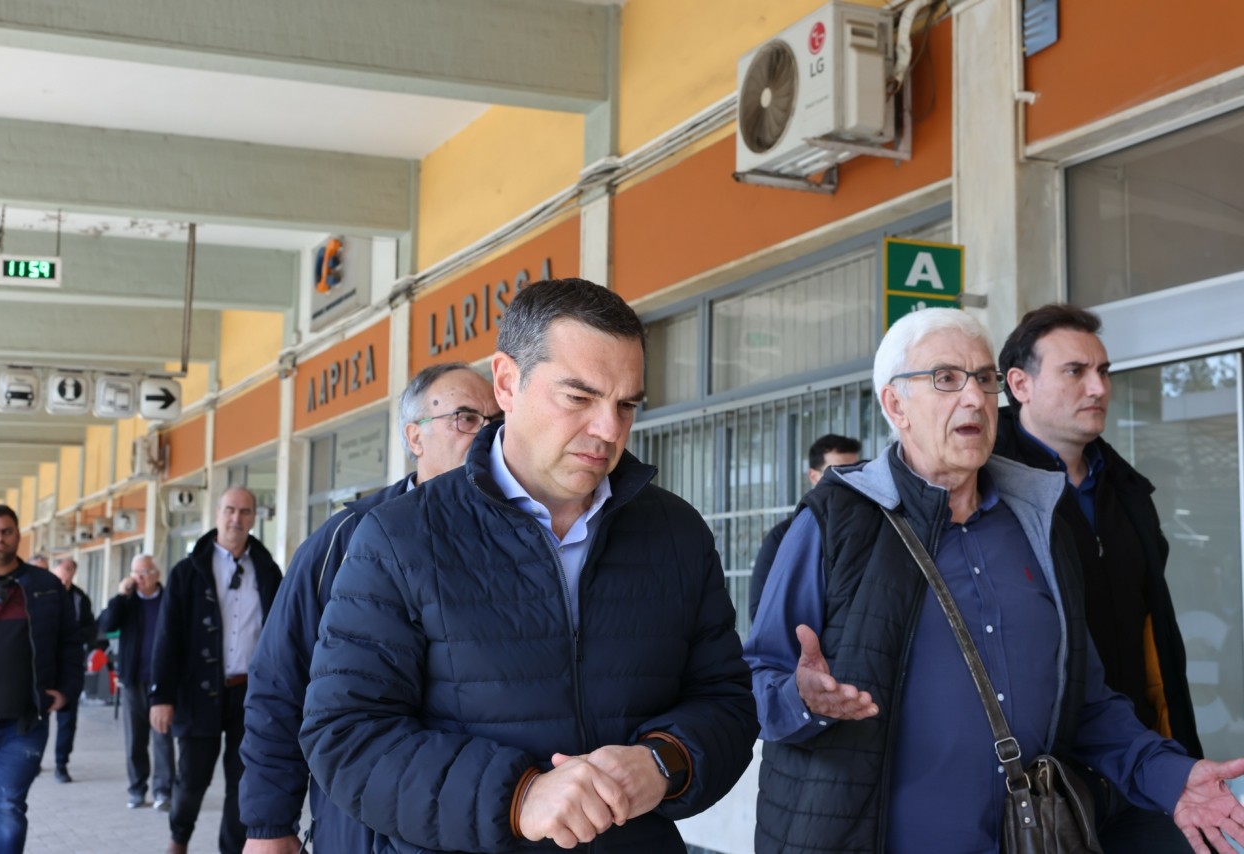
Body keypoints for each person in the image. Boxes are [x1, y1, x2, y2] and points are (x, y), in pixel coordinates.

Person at [744, 308, 1244, 853]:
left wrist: (1171, 778)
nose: (974, 398)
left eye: (984, 379)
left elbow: (1086, 701)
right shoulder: (834, 522)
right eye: (945, 378)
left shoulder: (1039, 524)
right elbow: (756, 680)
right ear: (895, 405)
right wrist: (802, 698)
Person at [301, 278, 758, 853]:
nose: (609, 430)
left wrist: (666, 761)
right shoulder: (401, 537)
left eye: (626, 405)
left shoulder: (676, 533)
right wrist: (518, 797)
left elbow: (727, 700)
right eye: (579, 398)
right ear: (506, 383)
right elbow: (346, 736)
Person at [239, 363, 500, 853]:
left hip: (486, 818)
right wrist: (268, 825)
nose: (486, 435)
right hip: (363, 826)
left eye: (497, 422)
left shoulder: (518, 540)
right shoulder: (343, 541)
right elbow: (280, 681)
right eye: (466, 419)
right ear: (415, 437)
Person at [995, 302, 1203, 851]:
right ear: (1020, 384)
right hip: (1041, 784)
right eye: (1075, 371)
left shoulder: (1129, 493)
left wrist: (1176, 752)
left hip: (1141, 765)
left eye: (1103, 371)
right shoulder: (986, 496)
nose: (1098, 388)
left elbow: (1155, 638)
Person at [150, 486, 282, 854]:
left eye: (244, 511)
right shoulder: (187, 572)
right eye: (229, 510)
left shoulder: (268, 571)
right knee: (192, 778)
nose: (236, 518)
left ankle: (232, 849)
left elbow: (281, 634)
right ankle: (178, 841)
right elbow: (167, 637)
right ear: (217, 513)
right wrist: (161, 696)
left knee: (243, 783)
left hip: (251, 694)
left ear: (254, 518)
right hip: (198, 692)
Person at [0, 504, 84, 854]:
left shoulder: (45, 586)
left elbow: (70, 642)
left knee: (8, 809)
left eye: (6, 531)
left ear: (18, 535)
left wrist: (66, 691)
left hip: (23, 725)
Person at [748, 434, 861, 621]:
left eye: (855, 472)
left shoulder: (868, 530)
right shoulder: (782, 536)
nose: (850, 481)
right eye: (839, 473)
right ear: (814, 476)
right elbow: (760, 610)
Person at [99, 554, 175, 811]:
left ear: (156, 574)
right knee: (135, 740)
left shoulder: (169, 600)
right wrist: (121, 595)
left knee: (162, 737)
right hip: (133, 680)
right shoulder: (127, 602)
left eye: (144, 572)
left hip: (162, 681)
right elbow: (106, 625)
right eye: (135, 572)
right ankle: (137, 789)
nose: (138, 578)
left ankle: (163, 791)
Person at [49, 556, 96, 783]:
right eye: (63, 570)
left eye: (70, 570)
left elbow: (91, 629)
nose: (66, 575)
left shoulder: (80, 598)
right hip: (44, 665)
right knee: (37, 717)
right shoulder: (42, 594)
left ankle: (61, 764)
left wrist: (71, 636)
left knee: (68, 719)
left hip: (70, 667)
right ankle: (32, 759)